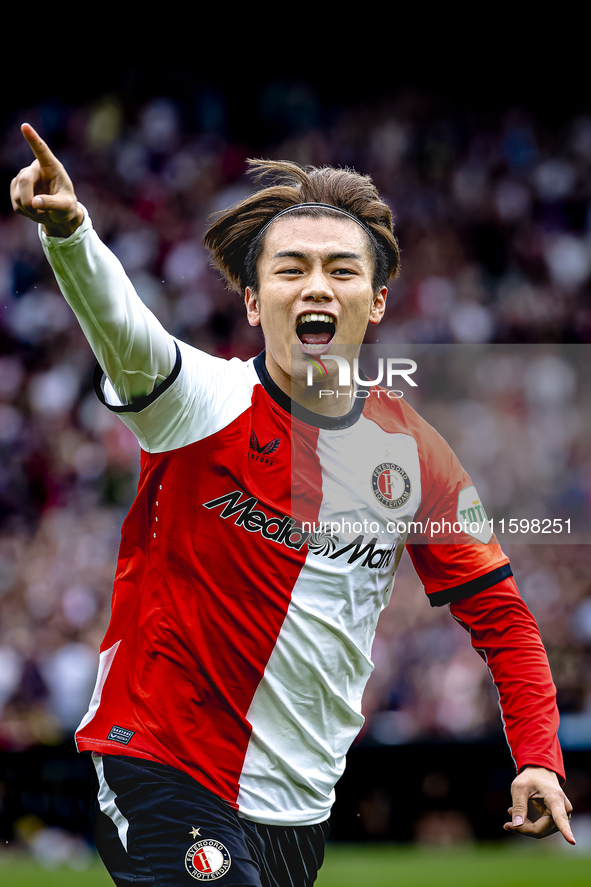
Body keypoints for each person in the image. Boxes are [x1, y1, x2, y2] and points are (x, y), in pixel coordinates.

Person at [11, 123, 575, 886]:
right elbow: (123, 331)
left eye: (341, 270)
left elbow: (502, 616)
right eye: (291, 269)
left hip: (297, 808)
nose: (315, 285)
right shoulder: (199, 403)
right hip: (161, 765)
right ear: (251, 299)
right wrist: (71, 233)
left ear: (374, 303)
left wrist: (538, 756)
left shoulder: (411, 451)